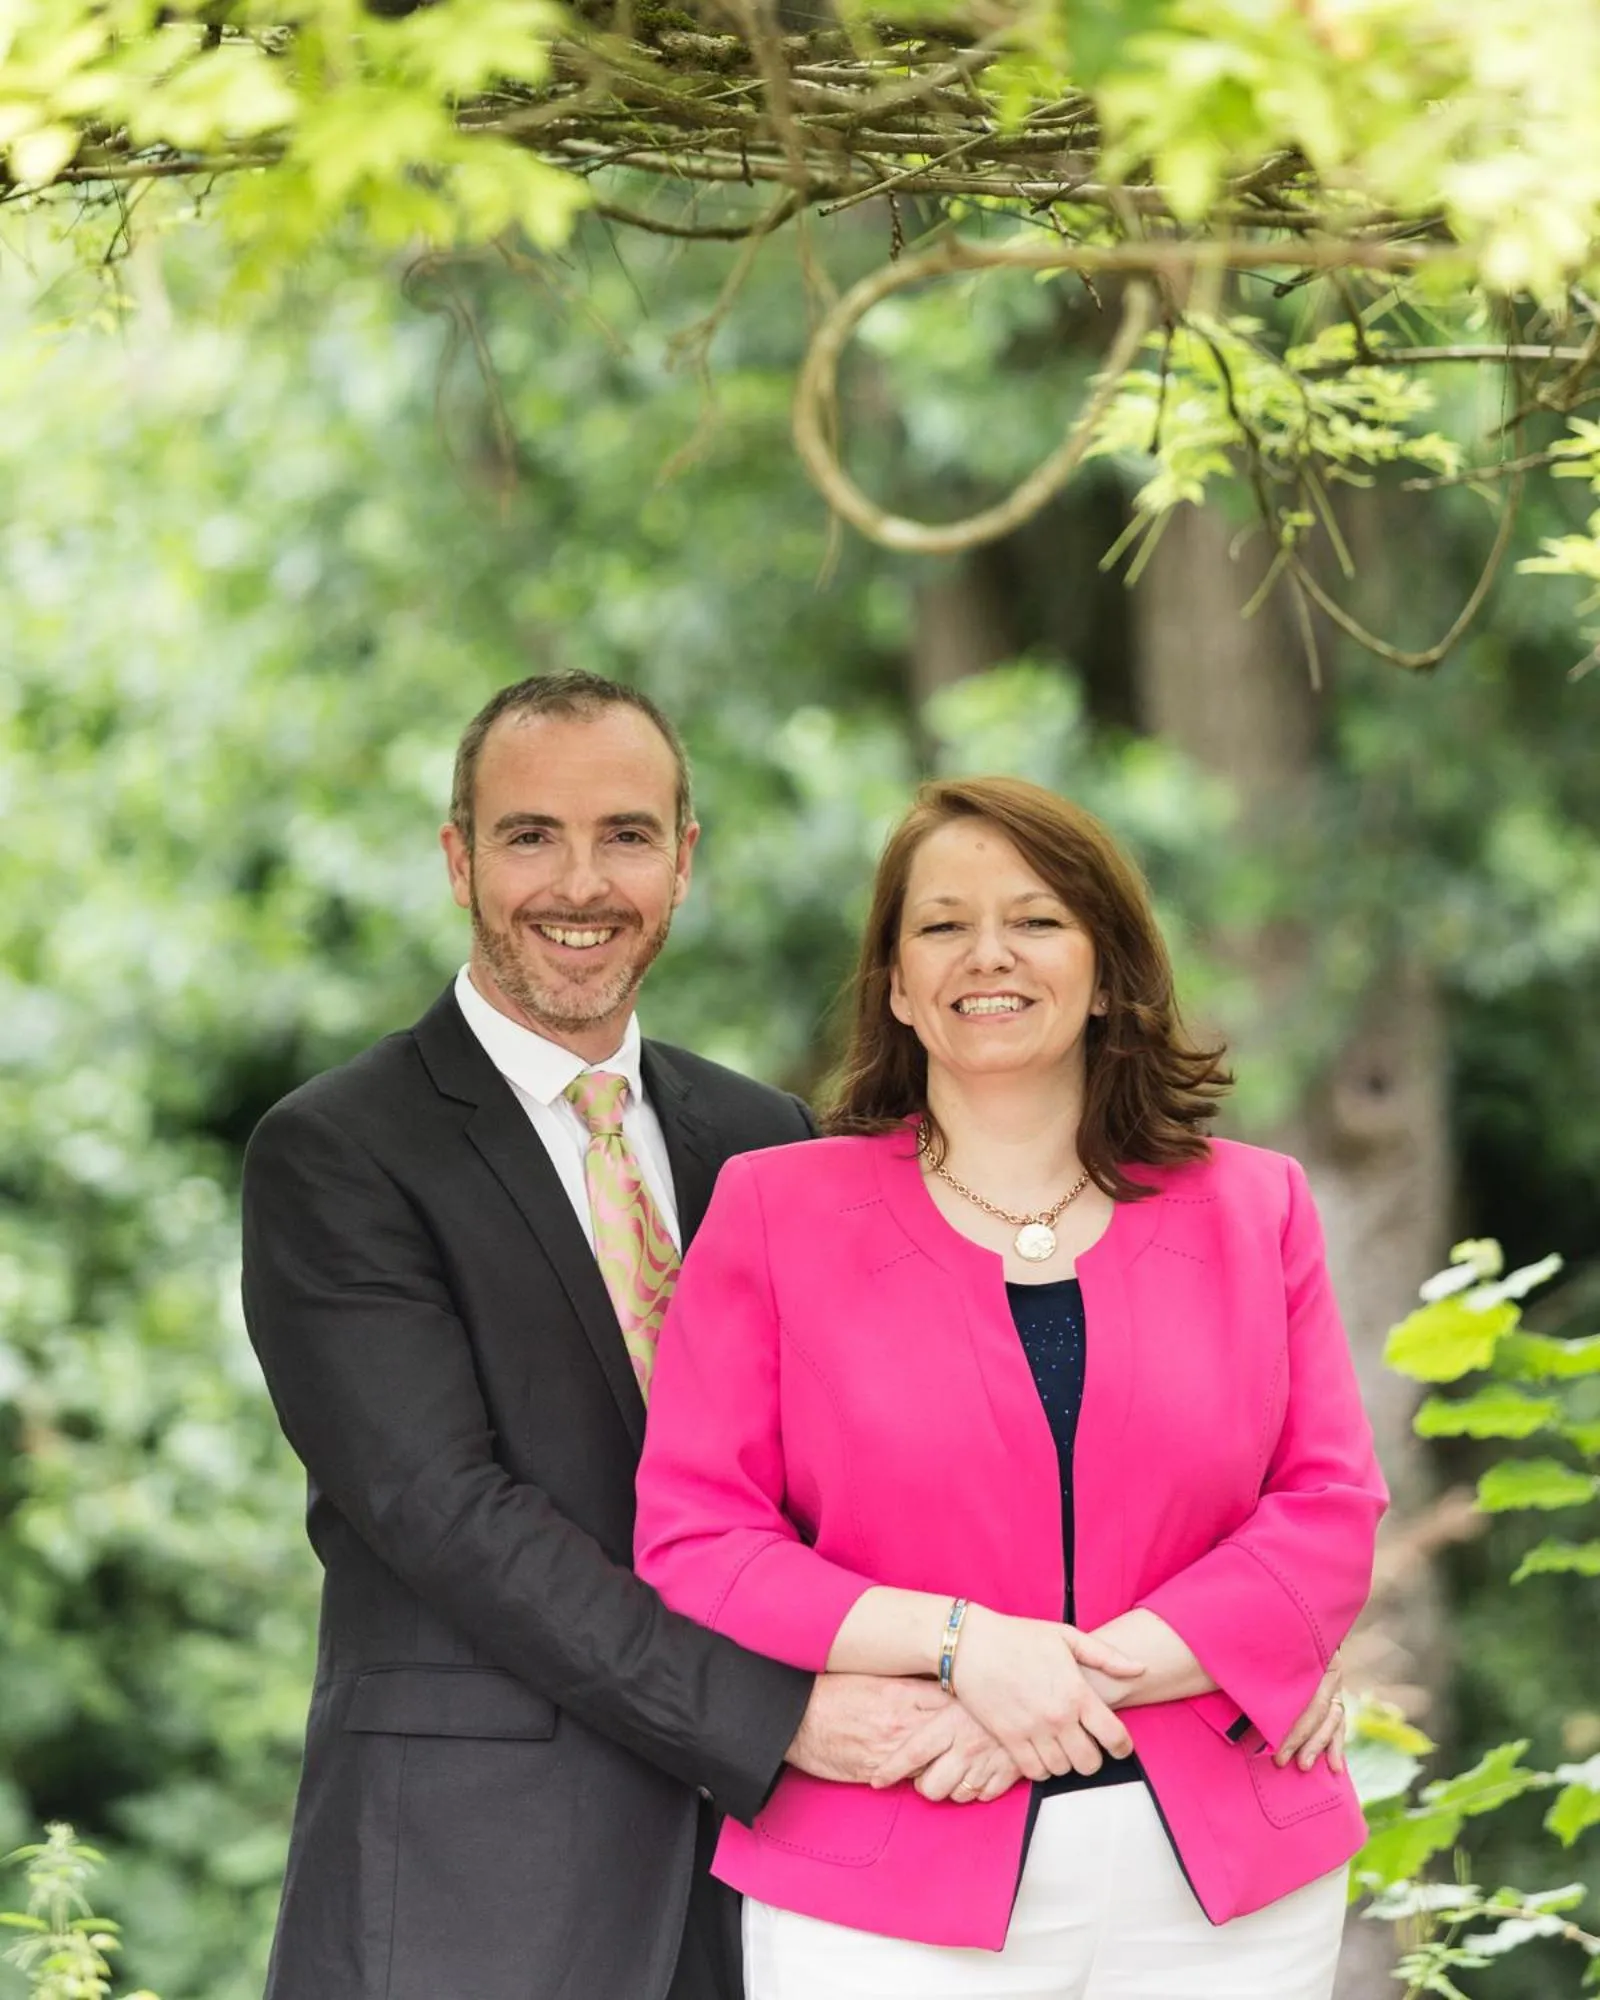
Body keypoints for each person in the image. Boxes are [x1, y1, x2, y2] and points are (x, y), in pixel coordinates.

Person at [239, 673, 993, 2000]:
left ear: (684, 863)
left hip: (775, 1884)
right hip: (480, 1883)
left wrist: (1209, 1653)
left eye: (627, 836)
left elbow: (883, 1468)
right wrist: (778, 1720)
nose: (580, 883)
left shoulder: (764, 1139)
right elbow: (454, 1516)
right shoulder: (341, 1154)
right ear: (458, 861)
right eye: (532, 836)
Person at [634, 774, 1388, 2000]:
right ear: (895, 982)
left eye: (1036, 918)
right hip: (886, 1865)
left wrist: (1055, 1683)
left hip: (1231, 1880)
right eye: (940, 924)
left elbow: (1325, 1509)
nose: (988, 954)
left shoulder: (1257, 1206)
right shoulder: (777, 1212)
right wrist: (961, 1646)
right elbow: (700, 1535)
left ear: (1109, 965)